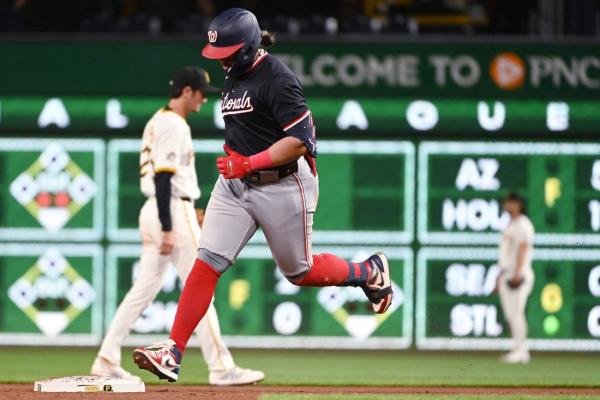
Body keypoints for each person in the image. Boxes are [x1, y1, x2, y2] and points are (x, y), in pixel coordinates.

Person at [132, 8, 393, 383]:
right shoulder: (233, 75)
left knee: (299, 272)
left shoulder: (279, 79)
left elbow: (299, 143)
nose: (221, 61)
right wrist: (239, 166)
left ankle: (369, 271)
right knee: (204, 264)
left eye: (228, 54)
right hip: (237, 186)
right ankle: (173, 352)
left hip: (284, 184)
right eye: (217, 54)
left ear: (249, 47)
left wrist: (248, 163)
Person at [91, 66, 265, 386]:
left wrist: (180, 214)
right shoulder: (174, 124)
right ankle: (221, 367)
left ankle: (106, 357)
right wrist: (171, 225)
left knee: (143, 290)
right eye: (200, 93)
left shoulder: (158, 120)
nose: (202, 100)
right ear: (186, 91)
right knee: (201, 286)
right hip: (169, 208)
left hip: (158, 210)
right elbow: (163, 177)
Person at [496, 191, 535, 364]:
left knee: (517, 312)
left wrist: (518, 274)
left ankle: (522, 350)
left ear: (517, 204)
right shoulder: (510, 224)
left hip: (518, 274)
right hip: (507, 273)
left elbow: (523, 248)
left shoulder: (523, 224)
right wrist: (498, 278)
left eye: (509, 202)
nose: (506, 205)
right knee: (511, 314)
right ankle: (517, 348)